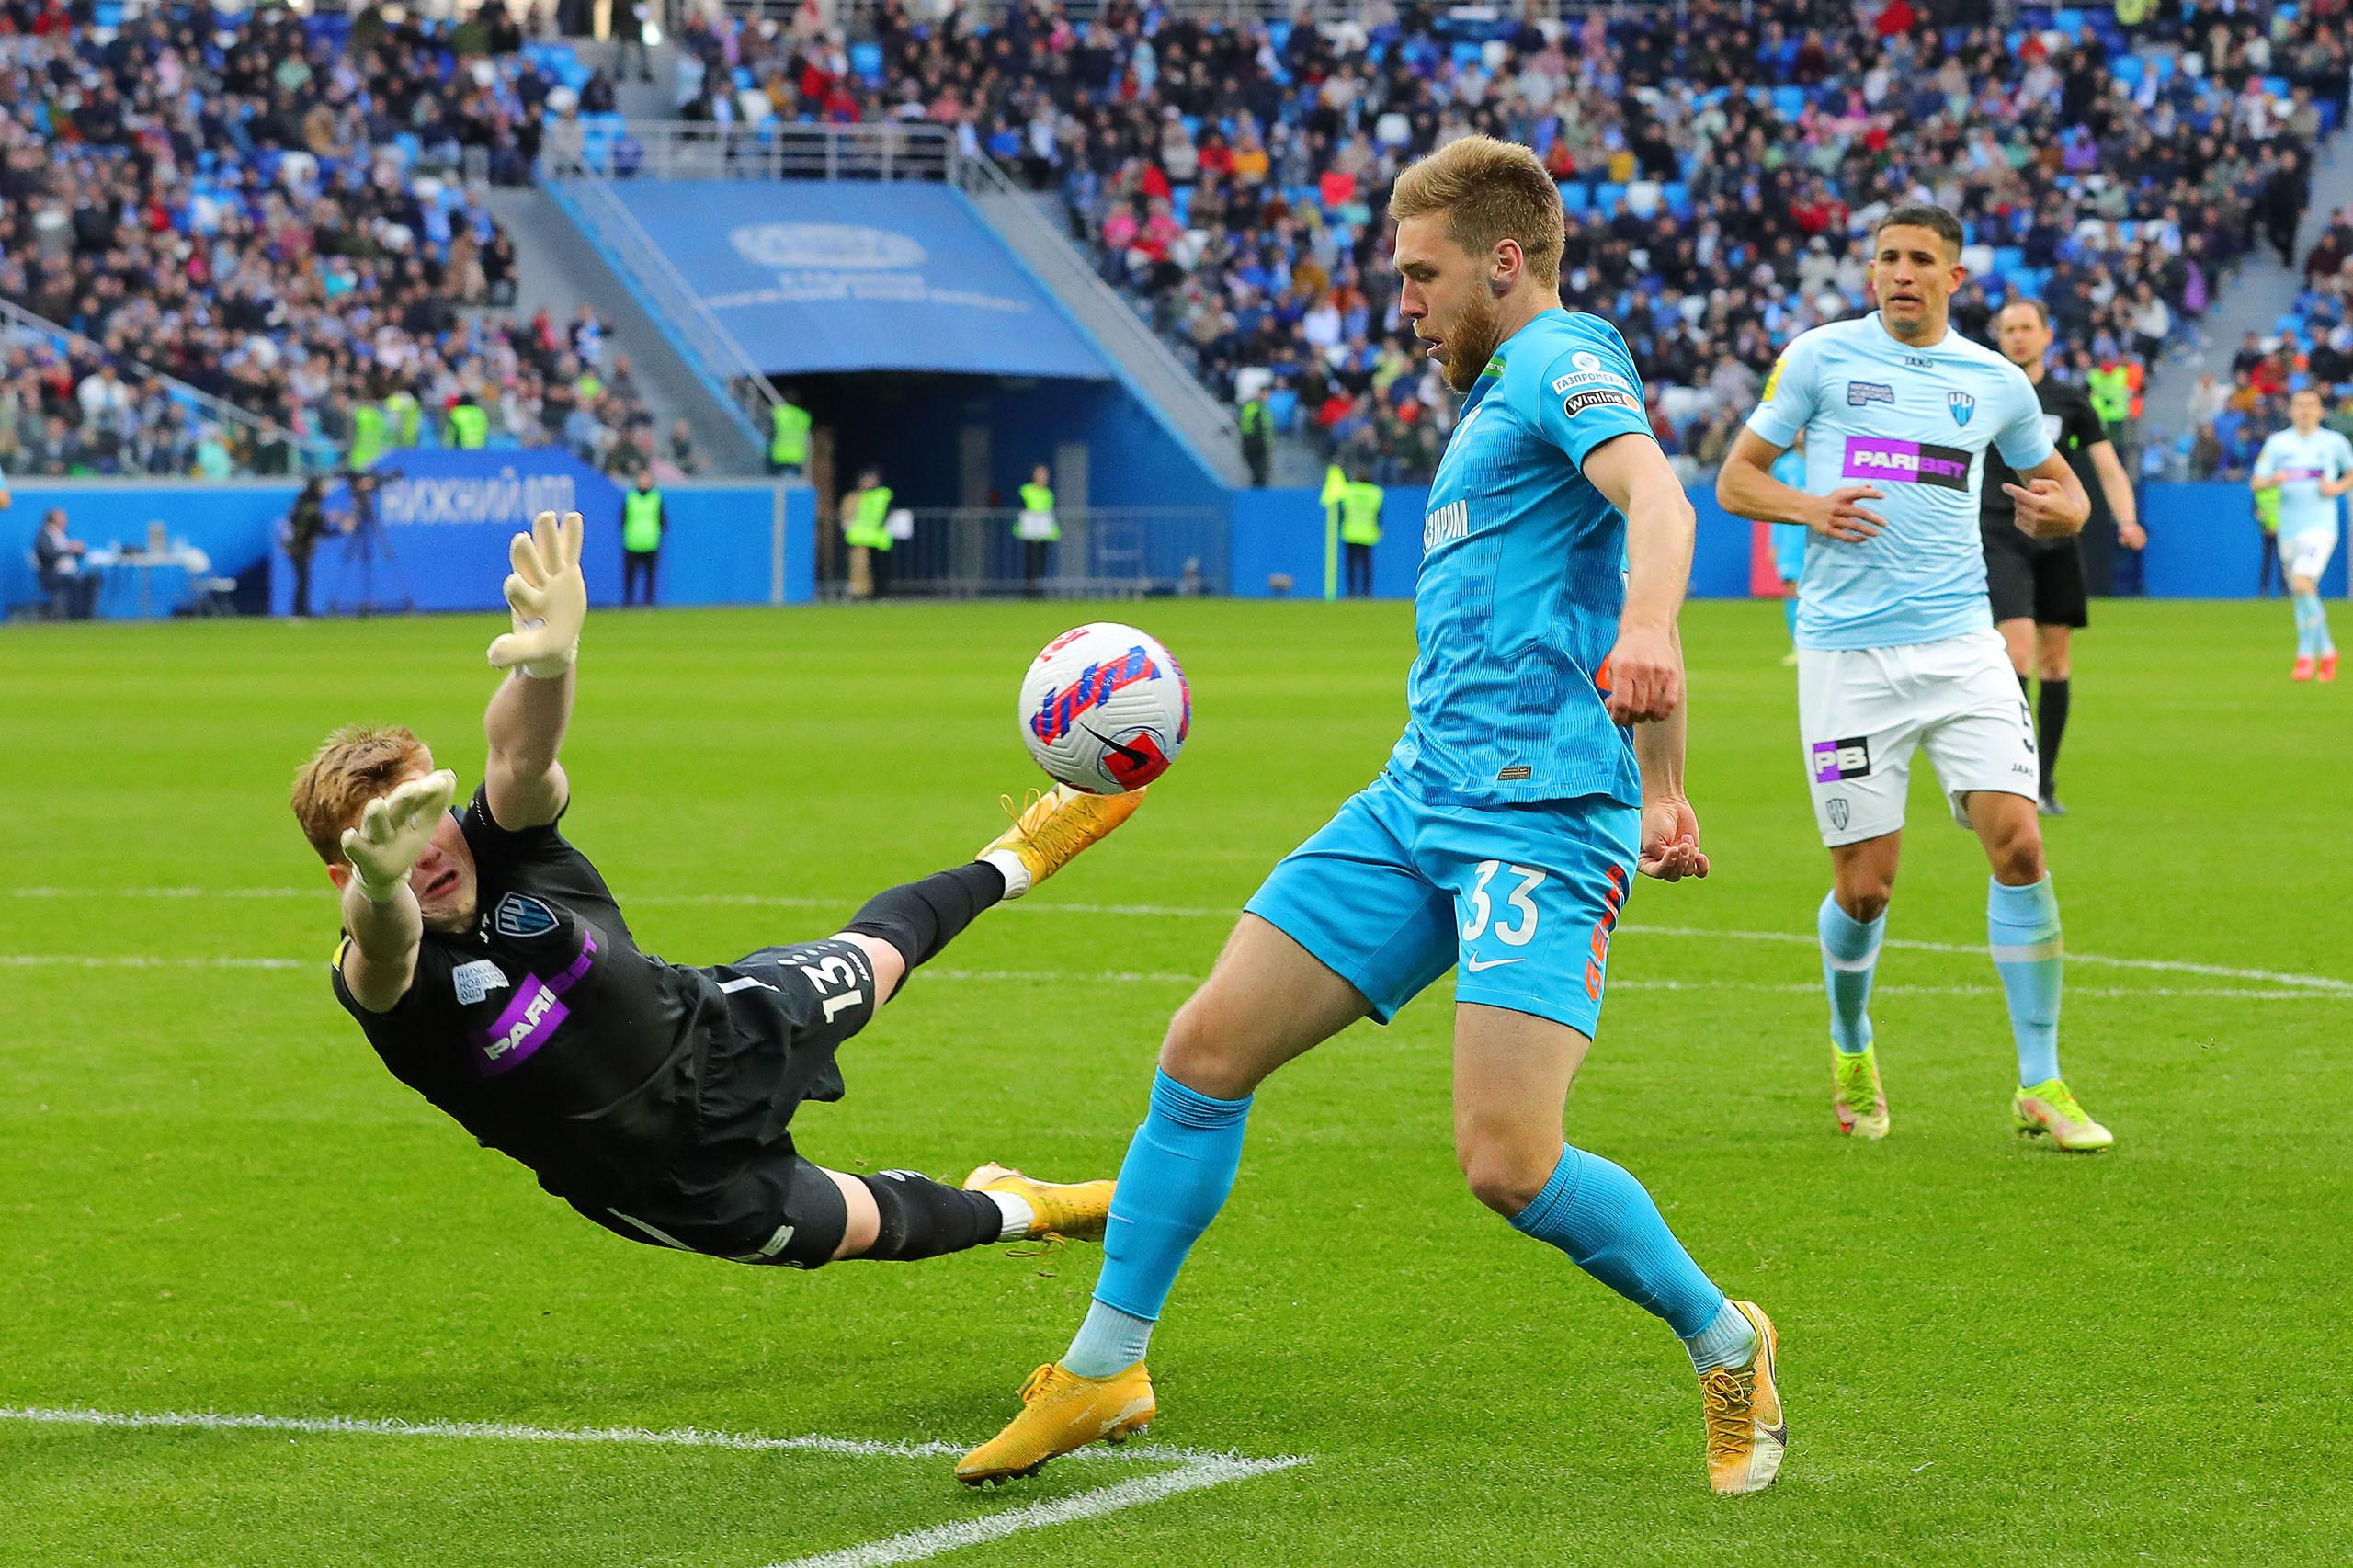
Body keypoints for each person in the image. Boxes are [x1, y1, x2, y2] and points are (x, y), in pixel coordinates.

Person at [961, 136, 1782, 1500]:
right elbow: (1587, 599)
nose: (1400, 302)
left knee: (1507, 1162)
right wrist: (1669, 780)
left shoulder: (1565, 360)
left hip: (1535, 823)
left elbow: (1656, 497)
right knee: (1205, 1048)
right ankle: (1106, 1363)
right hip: (1416, 800)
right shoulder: (1485, 405)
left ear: (1504, 265)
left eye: (1422, 275)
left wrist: (1648, 656)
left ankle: (1724, 1334)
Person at [290, 510, 1144, 1281]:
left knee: (883, 955)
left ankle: (1021, 856)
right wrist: (380, 877)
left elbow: (521, 760)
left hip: (721, 1026)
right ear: (346, 871)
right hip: (668, 1180)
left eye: (423, 811)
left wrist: (550, 665)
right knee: (862, 1226)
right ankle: (1017, 1206)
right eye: (387, 833)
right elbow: (386, 944)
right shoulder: (384, 969)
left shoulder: (501, 843)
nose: (426, 844)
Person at [1716, 205, 2111, 1153]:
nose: (1899, 271)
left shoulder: (1993, 380)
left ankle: (2041, 1079)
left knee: (2018, 842)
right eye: (1886, 257)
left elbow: (2064, 490)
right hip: (1848, 655)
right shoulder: (1816, 358)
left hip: (1963, 643)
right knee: (1866, 889)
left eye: (1918, 259)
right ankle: (1851, 1041)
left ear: (1953, 278)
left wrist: (2065, 514)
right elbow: (1737, 480)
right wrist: (1809, 505)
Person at [1981, 300, 2144, 816]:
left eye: (2027, 327)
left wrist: (2126, 520)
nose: (2019, 337)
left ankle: (2044, 782)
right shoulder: (1984, 393)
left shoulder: (2069, 400)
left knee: (2055, 660)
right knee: (2019, 652)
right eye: (2009, 329)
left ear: (2047, 335)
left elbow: (2108, 466)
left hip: (2055, 536)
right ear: (1999, 337)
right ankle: (2012, 775)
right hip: (1999, 533)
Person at [2251, 387, 2353, 680]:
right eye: (2300, 404)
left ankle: (2305, 656)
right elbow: (2256, 482)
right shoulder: (2278, 443)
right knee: (2302, 591)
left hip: (2320, 526)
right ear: (2291, 410)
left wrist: (2335, 488)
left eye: (2311, 404)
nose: (2305, 409)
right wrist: (2272, 480)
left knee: (2300, 582)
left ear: (2321, 411)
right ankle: (2328, 651)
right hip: (2289, 527)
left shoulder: (2333, 443)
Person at [1769, 436, 1809, 665]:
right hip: (1792, 540)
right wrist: (1775, 543)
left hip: (1818, 538)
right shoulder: (1784, 466)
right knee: (1792, 590)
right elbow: (1777, 508)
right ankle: (1797, 646)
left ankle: (1814, 644)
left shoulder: (1824, 461)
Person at [33, 506, 94, 620]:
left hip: (69, 571)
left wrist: (79, 550)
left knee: (92, 578)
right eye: (62, 518)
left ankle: (85, 615)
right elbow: (48, 554)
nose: (65, 521)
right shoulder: (43, 535)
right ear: (53, 519)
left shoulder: (63, 535)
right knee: (72, 580)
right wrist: (69, 549)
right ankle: (63, 615)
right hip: (51, 573)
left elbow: (73, 553)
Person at [841, 468, 892, 600]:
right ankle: (863, 593)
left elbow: (885, 513)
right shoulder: (859, 496)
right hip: (862, 536)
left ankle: (880, 594)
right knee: (860, 566)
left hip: (878, 537)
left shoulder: (883, 494)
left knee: (879, 568)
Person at [285, 477, 330, 619]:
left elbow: (293, 520)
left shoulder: (302, 503)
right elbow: (319, 529)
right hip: (299, 547)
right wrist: (340, 528)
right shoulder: (311, 507)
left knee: (303, 579)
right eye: (322, 487)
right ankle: (300, 611)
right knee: (303, 579)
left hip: (297, 546)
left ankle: (301, 609)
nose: (325, 491)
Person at [620, 472, 664, 607]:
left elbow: (663, 519)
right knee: (630, 575)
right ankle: (629, 601)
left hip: (651, 542)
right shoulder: (631, 497)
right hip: (632, 542)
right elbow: (623, 518)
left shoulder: (656, 498)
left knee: (650, 576)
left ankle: (648, 602)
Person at [1015, 465, 1058, 596]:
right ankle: (1030, 591)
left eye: (1045, 475)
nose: (1044, 478)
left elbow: (1050, 511)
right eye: (1041, 474)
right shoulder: (1026, 490)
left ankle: (1036, 587)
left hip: (1044, 532)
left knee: (1041, 562)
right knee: (1031, 561)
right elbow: (1021, 508)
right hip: (1030, 531)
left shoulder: (1048, 493)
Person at [1340, 469, 1381, 596]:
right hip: (1368, 533)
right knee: (1366, 566)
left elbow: (1342, 512)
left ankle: (1351, 592)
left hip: (1350, 532)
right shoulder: (1375, 493)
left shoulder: (1348, 491)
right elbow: (1378, 514)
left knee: (1351, 565)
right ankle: (1366, 592)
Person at [770, 391, 812, 477]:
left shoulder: (780, 412)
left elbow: (769, 416)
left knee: (777, 484)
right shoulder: (804, 416)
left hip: (780, 454)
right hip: (797, 455)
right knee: (794, 486)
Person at [2255, 476, 2283, 597]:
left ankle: (2284, 590)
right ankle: (2264, 589)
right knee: (2267, 561)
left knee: (2282, 561)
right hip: (2267, 531)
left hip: (2280, 531)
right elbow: (2256, 511)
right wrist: (2265, 524)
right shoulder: (2260, 493)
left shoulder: (2280, 491)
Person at [1238, 389, 1272, 487]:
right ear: (1260, 394)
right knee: (1260, 472)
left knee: (1256, 471)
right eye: (1266, 395)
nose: (1267, 397)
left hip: (1248, 442)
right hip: (1256, 444)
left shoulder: (1249, 407)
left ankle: (1257, 488)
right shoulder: (1259, 409)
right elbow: (1260, 429)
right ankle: (1259, 494)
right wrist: (1265, 446)